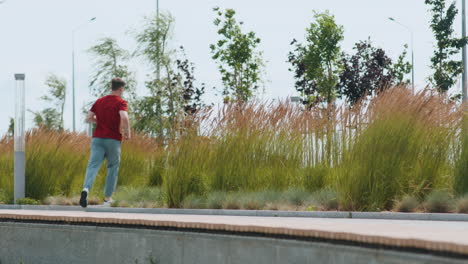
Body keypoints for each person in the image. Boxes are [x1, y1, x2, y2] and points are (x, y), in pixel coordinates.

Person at [79, 78, 131, 208]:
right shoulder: (121, 102)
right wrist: (127, 132)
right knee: (112, 167)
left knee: (93, 166)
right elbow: (124, 116)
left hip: (97, 139)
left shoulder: (99, 101)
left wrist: (100, 121)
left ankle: (86, 189)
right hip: (113, 139)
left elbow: (88, 118)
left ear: (111, 87)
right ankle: (107, 199)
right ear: (120, 89)